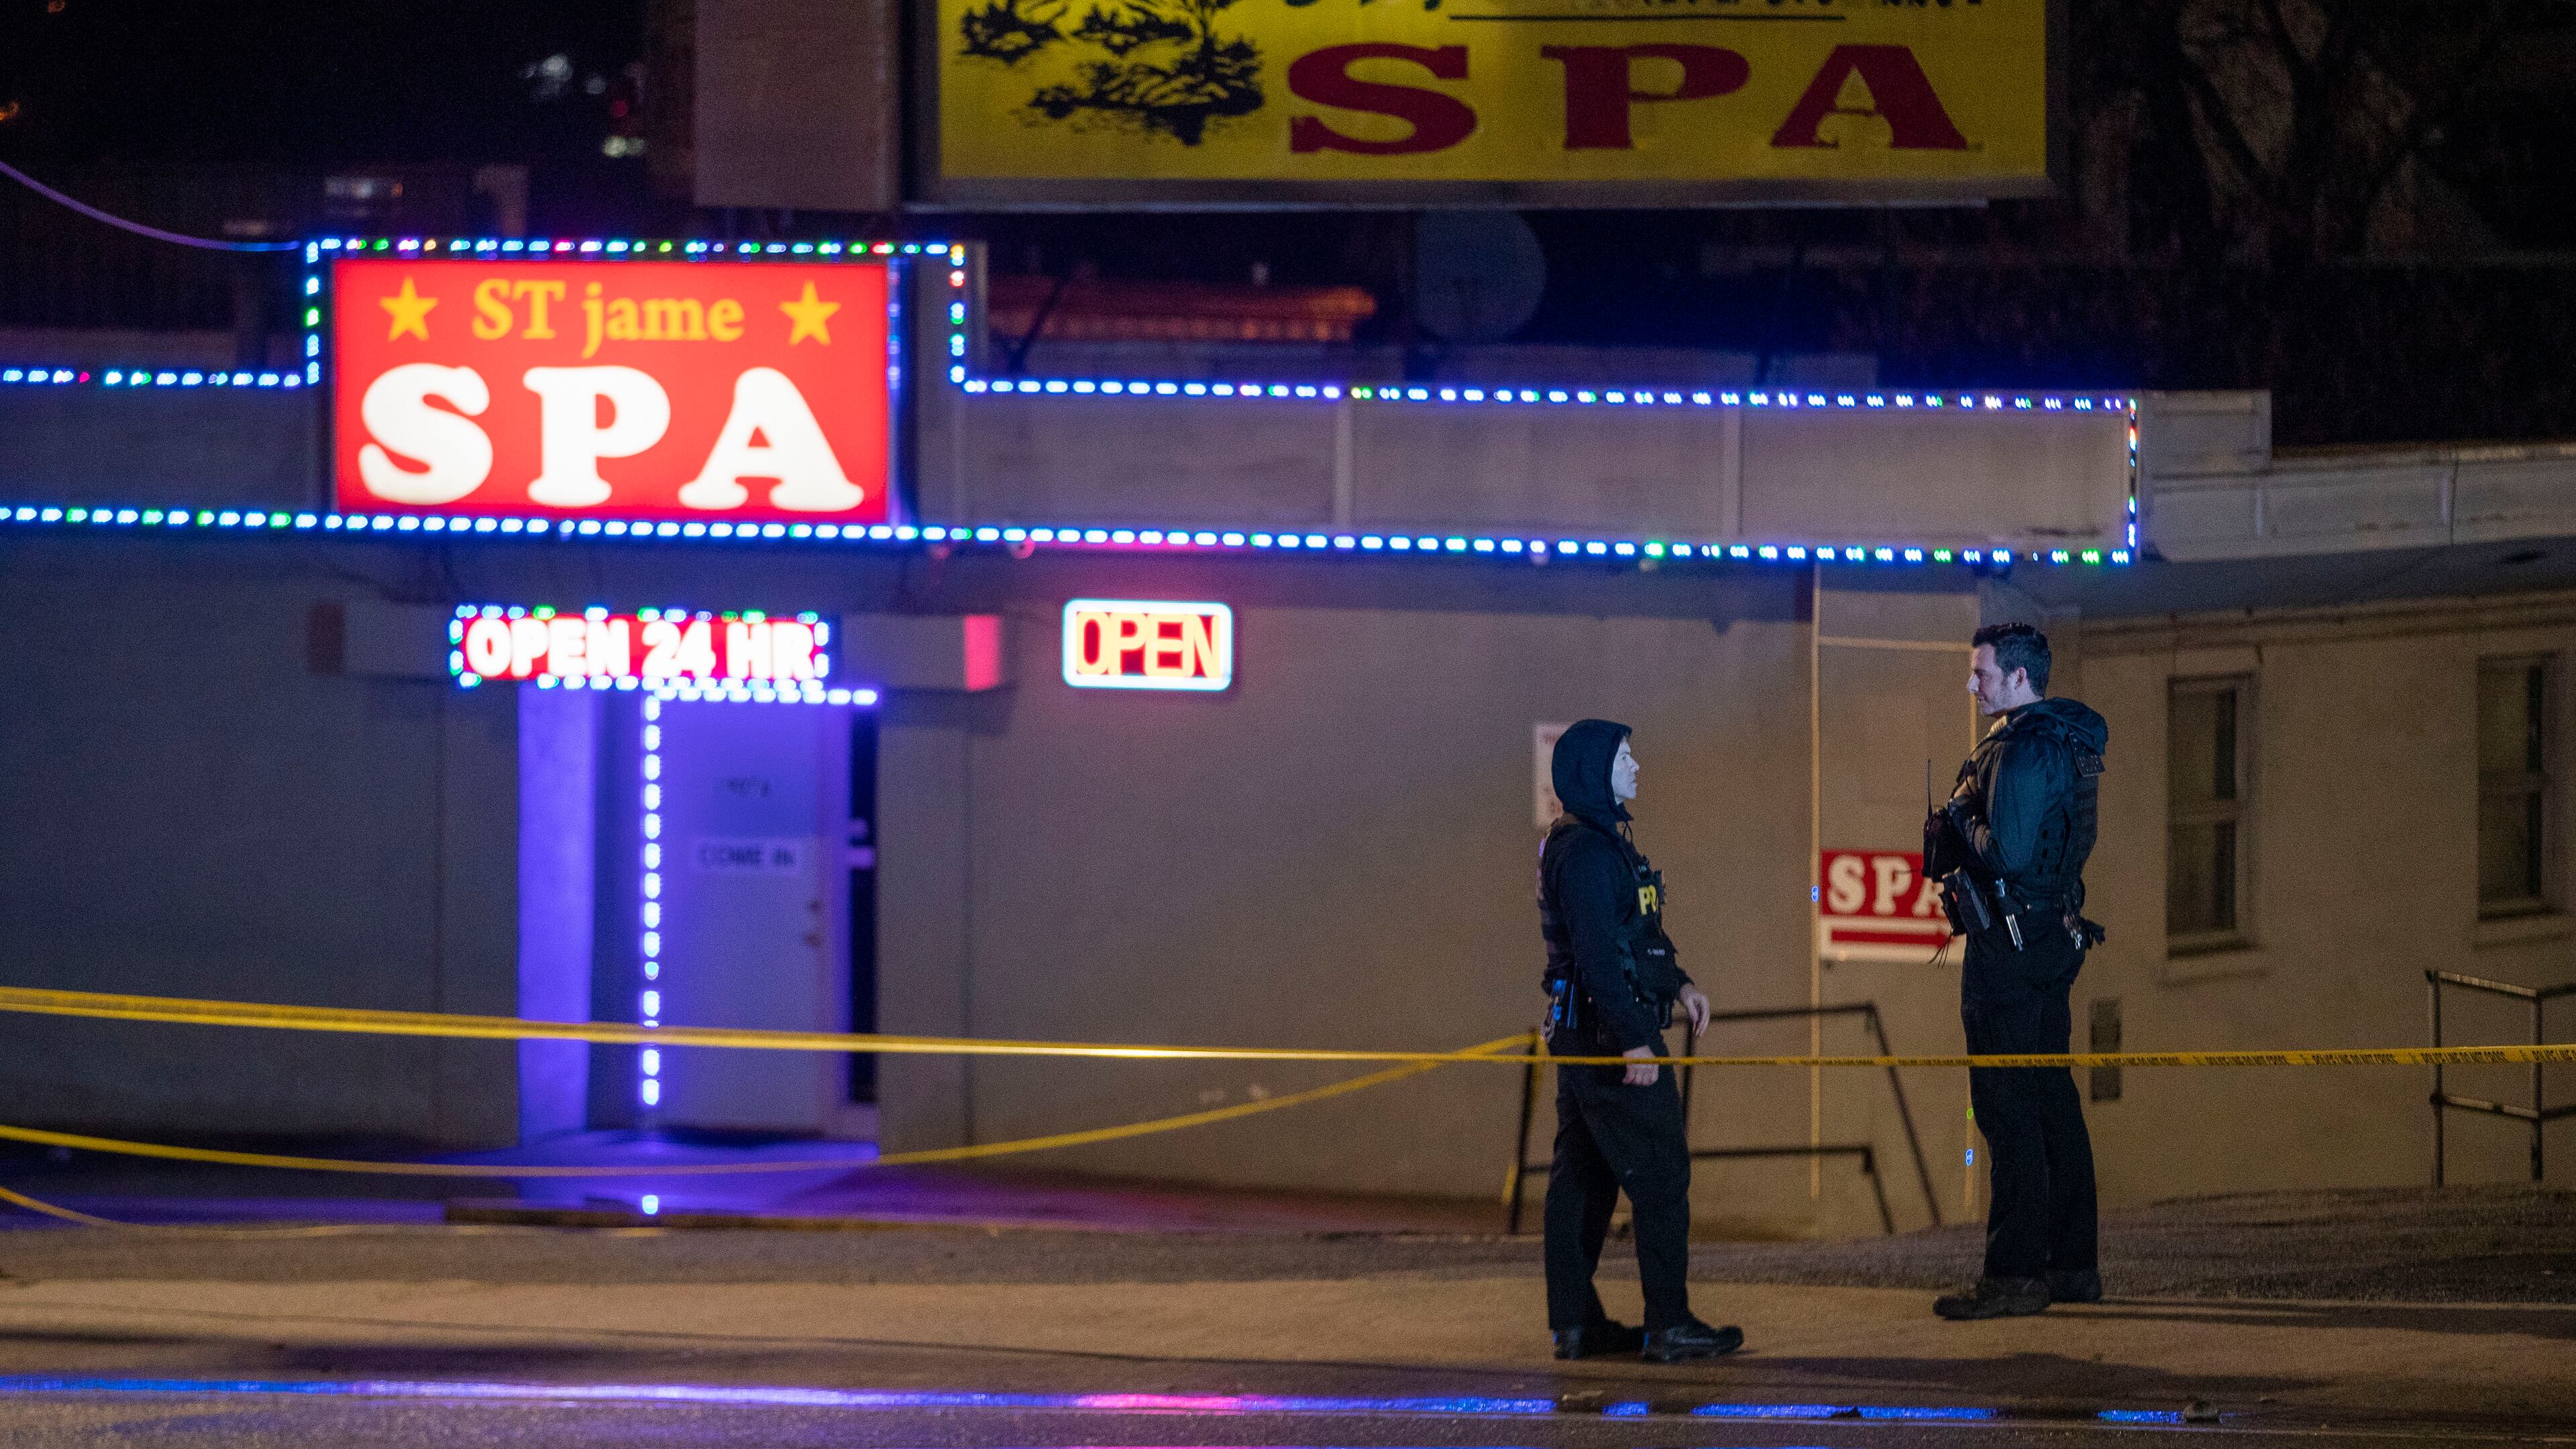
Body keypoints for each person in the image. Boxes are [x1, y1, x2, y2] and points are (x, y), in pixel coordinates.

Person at [1536, 718, 1743, 1362]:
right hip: (1609, 1041)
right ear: (1594, 771)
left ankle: (1576, 1324)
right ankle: (1669, 1325)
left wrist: (1680, 985)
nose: (1637, 765)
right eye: (1625, 757)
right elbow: (1598, 956)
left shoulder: (1593, 845)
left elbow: (1635, 936)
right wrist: (1635, 1042)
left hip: (1585, 1037)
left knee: (1584, 1179)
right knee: (1660, 1174)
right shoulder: (1590, 854)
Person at [1925, 623, 2110, 1320]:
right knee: (2050, 1095)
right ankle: (2072, 1265)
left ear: (2020, 678)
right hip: (2051, 935)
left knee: (2007, 1106)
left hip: (2011, 947)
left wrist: (1961, 812)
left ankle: (2014, 1275)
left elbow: (2004, 854)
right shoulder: (2068, 740)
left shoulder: (2024, 751)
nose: (1973, 685)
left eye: (1982, 673)